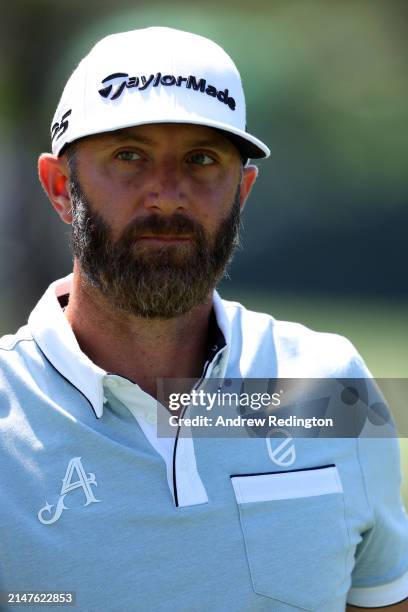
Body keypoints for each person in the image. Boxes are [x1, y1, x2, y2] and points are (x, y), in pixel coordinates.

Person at [0, 26, 407, 612]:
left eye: (201, 159)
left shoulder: (330, 388)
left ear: (242, 191)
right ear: (62, 187)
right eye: (129, 157)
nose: (167, 195)